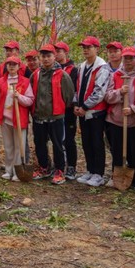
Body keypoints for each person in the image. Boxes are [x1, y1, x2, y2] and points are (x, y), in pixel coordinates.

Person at [30, 45, 75, 184]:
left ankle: (59, 170)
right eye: (43, 56)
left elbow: (68, 96)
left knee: (58, 144)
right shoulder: (36, 74)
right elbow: (31, 92)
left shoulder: (62, 75)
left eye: (49, 56)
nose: (46, 59)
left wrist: (58, 107)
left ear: (54, 56)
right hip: (39, 116)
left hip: (56, 116)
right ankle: (44, 167)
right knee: (40, 144)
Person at [104, 46, 135, 192]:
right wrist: (120, 93)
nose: (128, 61)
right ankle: (116, 176)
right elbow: (108, 96)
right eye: (126, 58)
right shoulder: (115, 75)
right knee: (117, 150)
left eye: (131, 58)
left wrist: (134, 110)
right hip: (116, 119)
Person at [74, 36, 111, 187]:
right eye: (84, 47)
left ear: (96, 48)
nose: (86, 50)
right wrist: (76, 104)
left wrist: (84, 106)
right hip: (82, 111)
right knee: (86, 142)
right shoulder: (82, 66)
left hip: (96, 112)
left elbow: (99, 92)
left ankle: (98, 173)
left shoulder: (102, 67)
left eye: (89, 47)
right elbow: (78, 87)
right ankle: (90, 170)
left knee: (96, 142)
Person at [0, 56, 34, 181]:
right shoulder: (1, 81)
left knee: (18, 146)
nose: (11, 66)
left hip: (19, 118)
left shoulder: (25, 81)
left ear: (19, 66)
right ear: (6, 66)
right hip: (5, 118)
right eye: (9, 64)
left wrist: (19, 96)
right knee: (8, 146)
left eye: (14, 64)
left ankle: (18, 172)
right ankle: (8, 170)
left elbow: (30, 100)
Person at [54, 41, 79, 180]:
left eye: (59, 51)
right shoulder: (51, 68)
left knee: (69, 139)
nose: (57, 54)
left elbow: (74, 89)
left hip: (68, 110)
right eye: (55, 51)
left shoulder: (73, 69)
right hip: (55, 110)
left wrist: (73, 104)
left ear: (66, 53)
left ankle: (71, 166)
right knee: (57, 139)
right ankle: (59, 166)